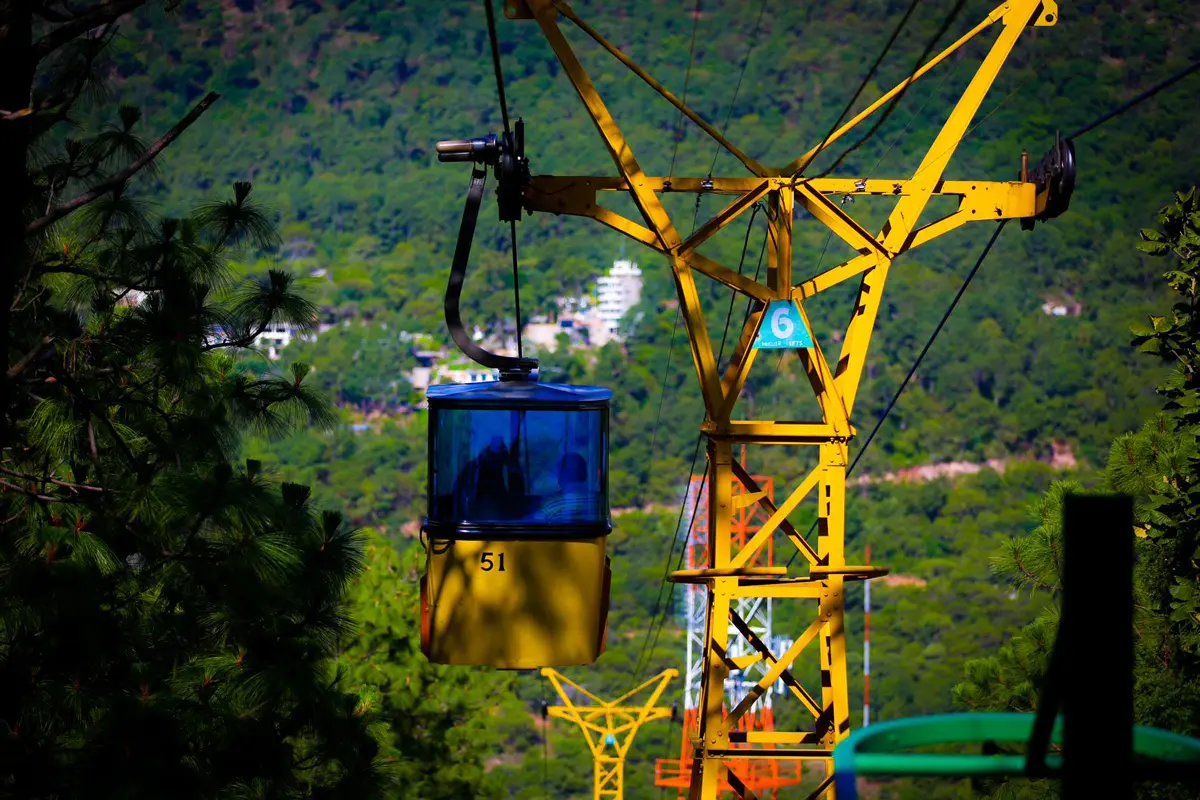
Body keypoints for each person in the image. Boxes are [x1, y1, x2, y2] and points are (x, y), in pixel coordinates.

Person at [542, 452, 599, 522]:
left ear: (562, 475)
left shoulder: (550, 505)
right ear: (585, 474)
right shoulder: (600, 501)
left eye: (559, 472)